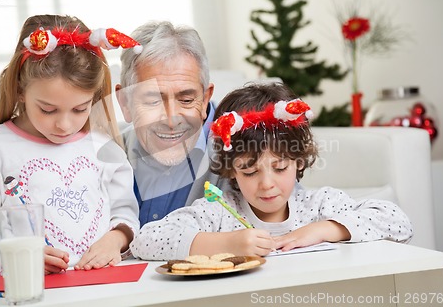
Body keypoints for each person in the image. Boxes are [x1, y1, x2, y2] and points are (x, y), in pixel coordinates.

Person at [129, 82, 413, 260]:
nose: (267, 184)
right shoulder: (218, 213)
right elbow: (144, 241)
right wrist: (228, 242)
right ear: (231, 170)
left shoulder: (319, 206)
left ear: (299, 160)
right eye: (249, 171)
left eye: (280, 167)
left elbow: (399, 223)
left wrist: (323, 229)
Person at [0, 14, 140, 276]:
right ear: (21, 91)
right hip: (34, 291)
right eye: (48, 110)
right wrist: (25, 257)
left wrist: (115, 239)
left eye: (80, 109)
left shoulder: (106, 149)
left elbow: (125, 216)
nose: (65, 125)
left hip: (106, 286)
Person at [116, 21, 220, 227]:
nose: (171, 119)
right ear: (125, 103)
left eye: (187, 100)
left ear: (205, 99)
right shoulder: (101, 152)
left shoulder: (243, 152)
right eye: (153, 101)